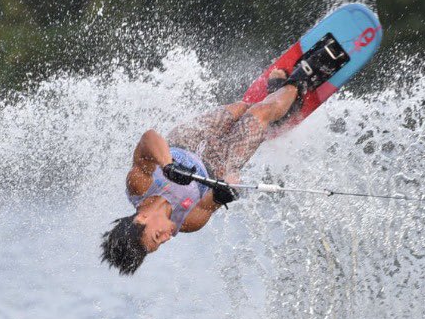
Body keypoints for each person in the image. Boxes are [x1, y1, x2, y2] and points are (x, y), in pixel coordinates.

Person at [100, 33, 350, 274]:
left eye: (157, 236)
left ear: (141, 218)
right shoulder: (188, 223)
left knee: (243, 108)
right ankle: (300, 80)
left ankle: (279, 100)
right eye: (161, 243)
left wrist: (167, 165)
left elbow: (149, 139)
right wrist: (225, 193)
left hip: (184, 142)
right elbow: (213, 201)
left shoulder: (138, 187)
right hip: (216, 164)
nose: (167, 238)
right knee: (259, 115)